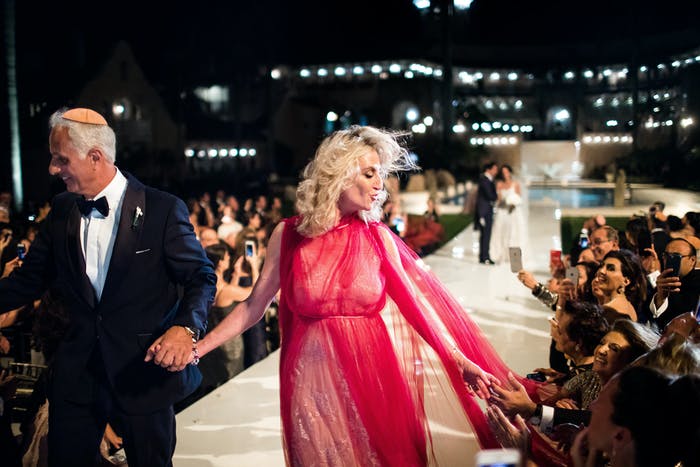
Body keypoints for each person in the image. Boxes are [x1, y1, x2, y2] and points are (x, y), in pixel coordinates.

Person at [148, 125, 538, 464]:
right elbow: (253, 306)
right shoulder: (288, 236)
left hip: (374, 374)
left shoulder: (377, 238)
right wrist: (198, 349)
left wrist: (458, 359)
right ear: (339, 173)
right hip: (310, 381)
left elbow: (417, 308)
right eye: (369, 173)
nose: (379, 184)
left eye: (380, 175)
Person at [0, 108, 216, 467]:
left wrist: (185, 327)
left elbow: (201, 277)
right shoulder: (61, 209)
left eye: (60, 159)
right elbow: (28, 281)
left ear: (95, 157)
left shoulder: (162, 209)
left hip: (143, 373)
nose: (53, 169)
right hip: (77, 376)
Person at [489, 164, 525, 264]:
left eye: (506, 171)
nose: (505, 174)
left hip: (513, 212)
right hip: (502, 211)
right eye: (503, 172)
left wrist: (514, 202)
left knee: (513, 233)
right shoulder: (499, 184)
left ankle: (513, 256)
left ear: (510, 172)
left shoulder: (515, 184)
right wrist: (502, 201)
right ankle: (500, 254)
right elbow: (499, 199)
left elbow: (519, 198)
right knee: (500, 232)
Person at [476, 161, 499, 264]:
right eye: (494, 169)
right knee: (486, 234)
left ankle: (483, 256)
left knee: (485, 235)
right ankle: (485, 256)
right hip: (484, 212)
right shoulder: (485, 180)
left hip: (485, 211)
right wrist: (498, 196)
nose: (496, 171)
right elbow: (490, 195)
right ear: (488, 169)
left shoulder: (488, 179)